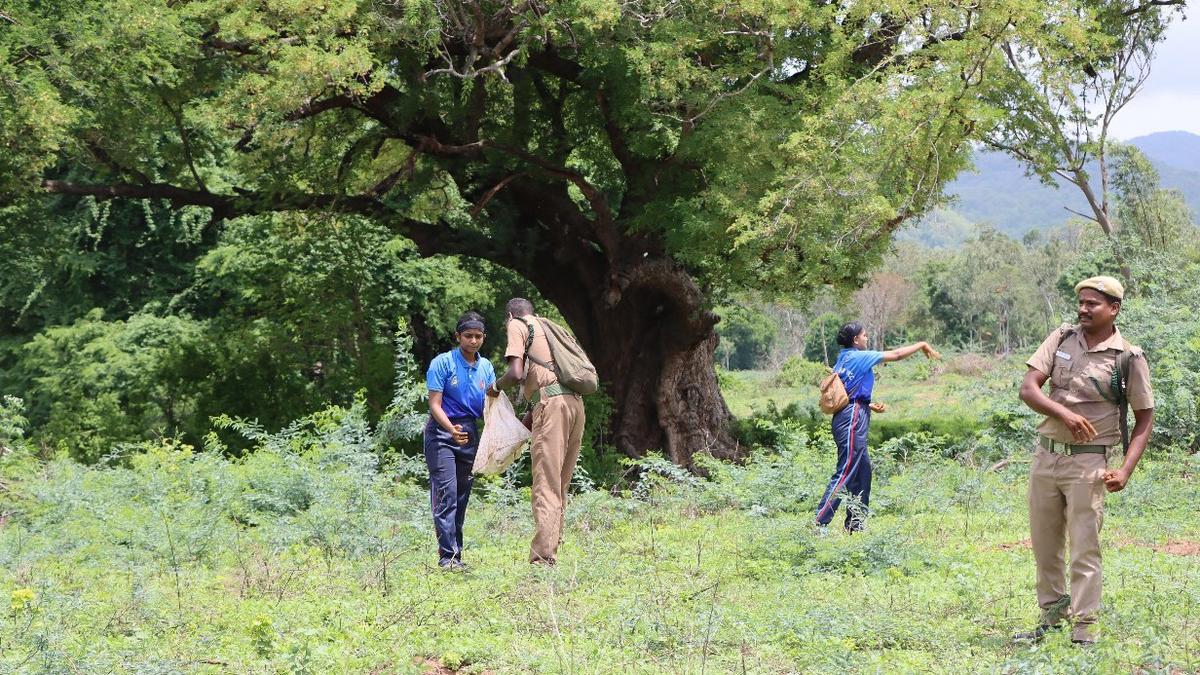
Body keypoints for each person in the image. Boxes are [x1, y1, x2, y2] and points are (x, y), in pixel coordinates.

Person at [1015, 276, 1153, 645]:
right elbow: (1029, 388)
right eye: (1081, 302)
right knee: (1045, 547)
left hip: (1089, 465)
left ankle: (1084, 629)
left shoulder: (1128, 357)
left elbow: (1144, 417)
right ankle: (1052, 617)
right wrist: (1064, 414)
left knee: (1084, 547)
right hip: (1046, 457)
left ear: (1114, 308)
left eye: (1093, 303)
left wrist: (1125, 468)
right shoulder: (1061, 338)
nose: (1083, 309)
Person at [814, 323, 940, 532]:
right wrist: (921, 344)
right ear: (855, 340)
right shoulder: (858, 357)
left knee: (862, 472)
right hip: (852, 418)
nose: (866, 338)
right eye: (864, 335)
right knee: (845, 470)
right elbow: (897, 354)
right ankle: (819, 524)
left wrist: (867, 404)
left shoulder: (843, 358)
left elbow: (844, 392)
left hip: (850, 414)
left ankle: (855, 526)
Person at [488, 298, 586, 565]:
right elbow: (549, 379)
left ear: (510, 315)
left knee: (545, 484)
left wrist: (495, 388)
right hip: (575, 405)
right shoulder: (550, 327)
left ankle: (542, 559)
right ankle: (552, 548)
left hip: (552, 406)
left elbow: (516, 373)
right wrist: (531, 416)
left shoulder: (518, 325)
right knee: (560, 483)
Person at [424, 311, 496, 570]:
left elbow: (490, 403)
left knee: (463, 496)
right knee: (447, 494)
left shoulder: (486, 367)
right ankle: (447, 557)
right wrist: (451, 429)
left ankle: (457, 555)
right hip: (441, 432)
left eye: (478, 336)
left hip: (469, 432)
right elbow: (434, 404)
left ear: (483, 338)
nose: (473, 341)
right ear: (458, 336)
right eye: (468, 336)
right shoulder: (443, 363)